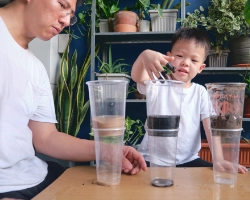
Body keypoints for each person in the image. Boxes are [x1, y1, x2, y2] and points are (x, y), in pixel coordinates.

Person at [0, 0, 146, 199]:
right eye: (62, 5)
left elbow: (46, 138)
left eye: (71, 14)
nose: (67, 21)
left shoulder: (36, 68)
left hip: (36, 175)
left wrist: (108, 150)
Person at [131, 28, 248, 173]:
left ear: (201, 68)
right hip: (150, 159)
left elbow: (210, 127)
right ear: (168, 57)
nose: (185, 63)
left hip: (188, 160)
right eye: (180, 56)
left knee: (211, 176)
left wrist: (219, 159)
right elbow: (137, 76)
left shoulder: (200, 92)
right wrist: (144, 55)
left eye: (193, 60)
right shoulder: (157, 83)